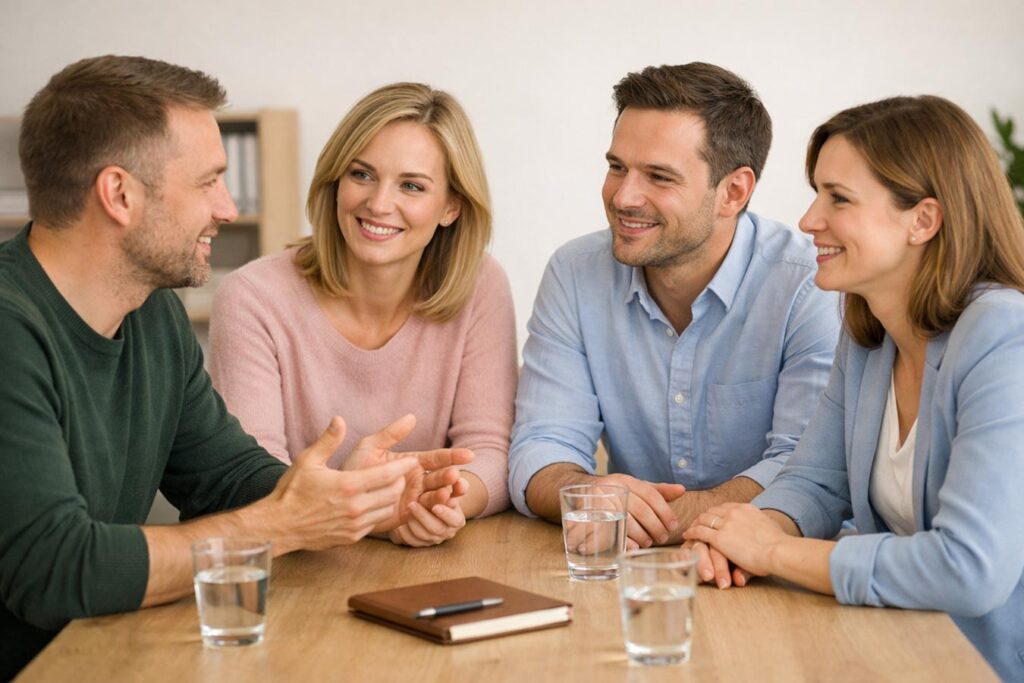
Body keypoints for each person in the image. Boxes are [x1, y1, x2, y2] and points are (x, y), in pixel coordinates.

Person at [0, 56, 470, 679]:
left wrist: (347, 497)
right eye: (207, 182)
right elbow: (55, 568)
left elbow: (223, 475)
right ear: (119, 194)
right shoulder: (10, 330)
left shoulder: (151, 315)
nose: (226, 207)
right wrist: (278, 525)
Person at [683, 95, 1024, 681]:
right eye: (818, 193)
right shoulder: (871, 333)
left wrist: (772, 551)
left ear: (923, 219)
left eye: (838, 198)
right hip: (893, 648)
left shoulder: (1004, 338)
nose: (811, 219)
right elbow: (817, 481)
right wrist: (743, 533)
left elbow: (970, 568)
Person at [508, 63, 840, 553]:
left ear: (733, 192)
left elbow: (804, 468)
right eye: (617, 166)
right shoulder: (575, 273)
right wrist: (586, 493)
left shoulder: (808, 283)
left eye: (659, 177)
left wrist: (653, 520)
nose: (623, 196)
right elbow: (542, 444)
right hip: (632, 574)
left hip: (772, 567)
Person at [209, 82, 517, 546]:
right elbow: (249, 479)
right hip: (295, 570)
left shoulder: (480, 286)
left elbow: (490, 450)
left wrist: (445, 502)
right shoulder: (253, 297)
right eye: (362, 175)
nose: (378, 204)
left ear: (451, 206)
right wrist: (370, 507)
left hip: (426, 567)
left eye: (411, 185)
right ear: (336, 181)